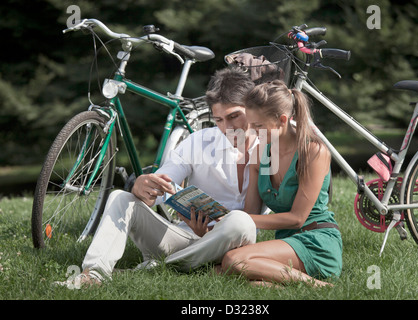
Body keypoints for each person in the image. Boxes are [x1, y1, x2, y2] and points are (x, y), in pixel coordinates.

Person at [57, 67, 263, 287]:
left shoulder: (271, 147)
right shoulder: (199, 142)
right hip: (185, 236)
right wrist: (143, 187)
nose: (226, 127)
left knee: (242, 222)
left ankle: (162, 267)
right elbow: (162, 183)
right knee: (119, 197)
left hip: (235, 242)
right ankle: (94, 274)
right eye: (219, 120)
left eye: (234, 116)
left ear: (251, 108)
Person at [219, 80, 342, 287]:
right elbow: (251, 215)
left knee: (233, 261)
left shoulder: (313, 151)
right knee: (220, 268)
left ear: (282, 120)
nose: (251, 132)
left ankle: (319, 287)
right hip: (283, 243)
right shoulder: (259, 155)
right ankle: (270, 282)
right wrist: (219, 218)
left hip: (316, 241)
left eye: (258, 126)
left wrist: (237, 218)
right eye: (251, 125)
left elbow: (297, 219)